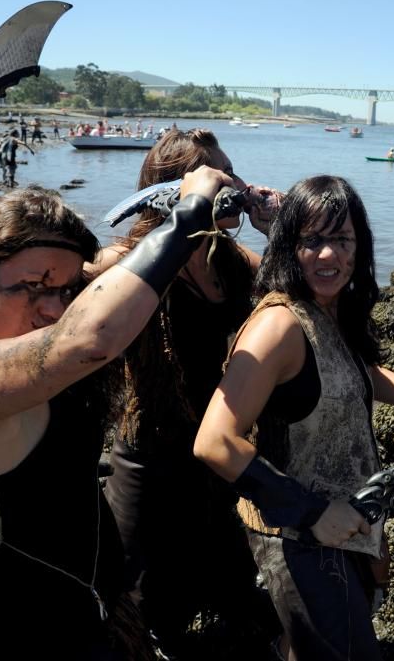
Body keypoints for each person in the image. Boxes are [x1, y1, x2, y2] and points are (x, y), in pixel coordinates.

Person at [0, 168, 233, 659]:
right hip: (29, 628)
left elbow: (110, 284)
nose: (53, 309)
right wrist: (189, 212)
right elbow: (89, 338)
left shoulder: (8, 316)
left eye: (64, 290)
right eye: (34, 286)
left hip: (95, 598)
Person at [193, 175, 394, 661]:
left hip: (346, 524)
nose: (327, 255)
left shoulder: (329, 309)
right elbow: (214, 441)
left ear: (359, 247)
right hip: (297, 540)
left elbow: (357, 371)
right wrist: (313, 513)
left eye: (341, 240)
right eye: (311, 241)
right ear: (288, 245)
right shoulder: (279, 326)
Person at [102, 127, 284, 653]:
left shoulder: (229, 259)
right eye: (222, 178)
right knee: (144, 602)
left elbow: (294, 301)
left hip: (214, 445)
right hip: (149, 456)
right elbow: (67, 307)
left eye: (235, 174)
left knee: (229, 576)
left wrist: (276, 232)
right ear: (179, 192)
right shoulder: (129, 262)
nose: (238, 186)